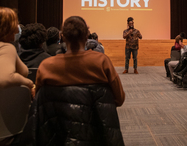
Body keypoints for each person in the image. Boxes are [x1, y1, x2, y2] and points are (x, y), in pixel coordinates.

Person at [20, 16, 125, 145]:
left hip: (56, 135)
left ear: (63, 37)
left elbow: (40, 102)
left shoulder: (47, 66)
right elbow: (119, 99)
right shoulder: (101, 62)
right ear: (87, 36)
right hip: (95, 135)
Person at [0, 7, 33, 90]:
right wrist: (29, 83)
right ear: (7, 28)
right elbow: (3, 79)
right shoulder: (5, 48)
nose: (17, 30)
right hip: (2, 101)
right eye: (15, 23)